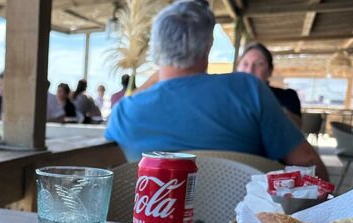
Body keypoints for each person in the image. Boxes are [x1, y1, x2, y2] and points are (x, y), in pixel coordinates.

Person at [105, 0, 328, 180]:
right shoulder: (248, 89)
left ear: (155, 49)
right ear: (208, 45)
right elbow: (310, 166)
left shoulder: (123, 112)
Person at [237, 43, 302, 128]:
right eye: (245, 64)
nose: (250, 70)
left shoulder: (287, 96)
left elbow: (297, 127)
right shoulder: (228, 96)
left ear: (270, 70)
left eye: (259, 64)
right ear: (237, 68)